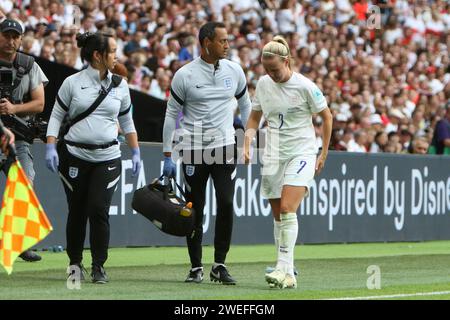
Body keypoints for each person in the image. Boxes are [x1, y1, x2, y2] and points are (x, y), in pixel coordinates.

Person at [45, 32, 141, 284]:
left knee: (99, 209)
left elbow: (127, 120)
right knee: (76, 211)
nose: (116, 56)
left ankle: (99, 265)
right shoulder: (72, 83)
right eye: (112, 51)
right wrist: (51, 146)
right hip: (74, 156)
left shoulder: (120, 85)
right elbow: (56, 116)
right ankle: (74, 263)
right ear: (98, 55)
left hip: (108, 156)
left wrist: (136, 151)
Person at [162, 22, 251, 285]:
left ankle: (219, 264)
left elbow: (247, 106)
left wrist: (247, 140)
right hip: (193, 149)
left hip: (225, 147)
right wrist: (168, 155)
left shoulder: (234, 71)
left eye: (227, 40)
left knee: (225, 202)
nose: (227, 45)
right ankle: (195, 266)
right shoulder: (185, 75)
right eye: (222, 41)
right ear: (206, 43)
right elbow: (170, 115)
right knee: (194, 209)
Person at [243, 36, 332, 289]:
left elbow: (327, 117)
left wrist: (323, 153)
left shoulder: (305, 86)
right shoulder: (263, 84)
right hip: (273, 153)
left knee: (286, 208)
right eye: (267, 70)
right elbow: (254, 118)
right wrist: (247, 143)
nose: (272, 75)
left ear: (286, 61)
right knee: (277, 215)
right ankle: (286, 268)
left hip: (301, 152)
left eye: (275, 69)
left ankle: (284, 269)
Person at [0, 18, 48, 262]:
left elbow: (40, 103)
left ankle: (19, 243)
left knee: (24, 185)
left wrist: (13, 110)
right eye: (6, 35)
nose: (11, 40)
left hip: (18, 137)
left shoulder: (29, 65)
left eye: (15, 36)